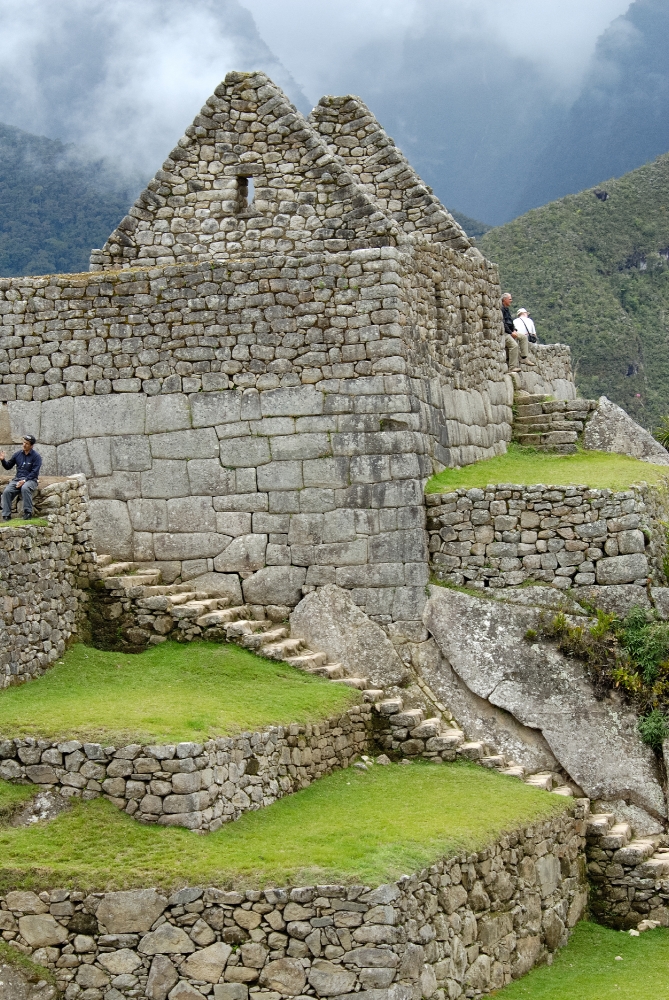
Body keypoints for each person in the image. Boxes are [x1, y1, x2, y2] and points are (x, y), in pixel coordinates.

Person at [0, 435, 42, 521]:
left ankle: (28, 513)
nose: (24, 445)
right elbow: (8, 466)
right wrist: (3, 460)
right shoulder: (17, 454)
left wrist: (24, 480)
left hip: (31, 480)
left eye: (27, 443)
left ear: (31, 445)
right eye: (23, 442)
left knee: (25, 488)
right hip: (17, 479)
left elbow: (34, 472)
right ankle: (6, 515)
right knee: (7, 491)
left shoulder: (36, 457)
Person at [502, 292, 535, 370]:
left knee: (523, 337)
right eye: (510, 299)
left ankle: (524, 358)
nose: (511, 300)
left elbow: (510, 322)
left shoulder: (506, 309)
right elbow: (503, 323)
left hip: (510, 331)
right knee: (514, 346)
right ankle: (512, 367)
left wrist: (514, 330)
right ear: (504, 300)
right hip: (505, 333)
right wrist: (511, 332)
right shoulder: (502, 310)